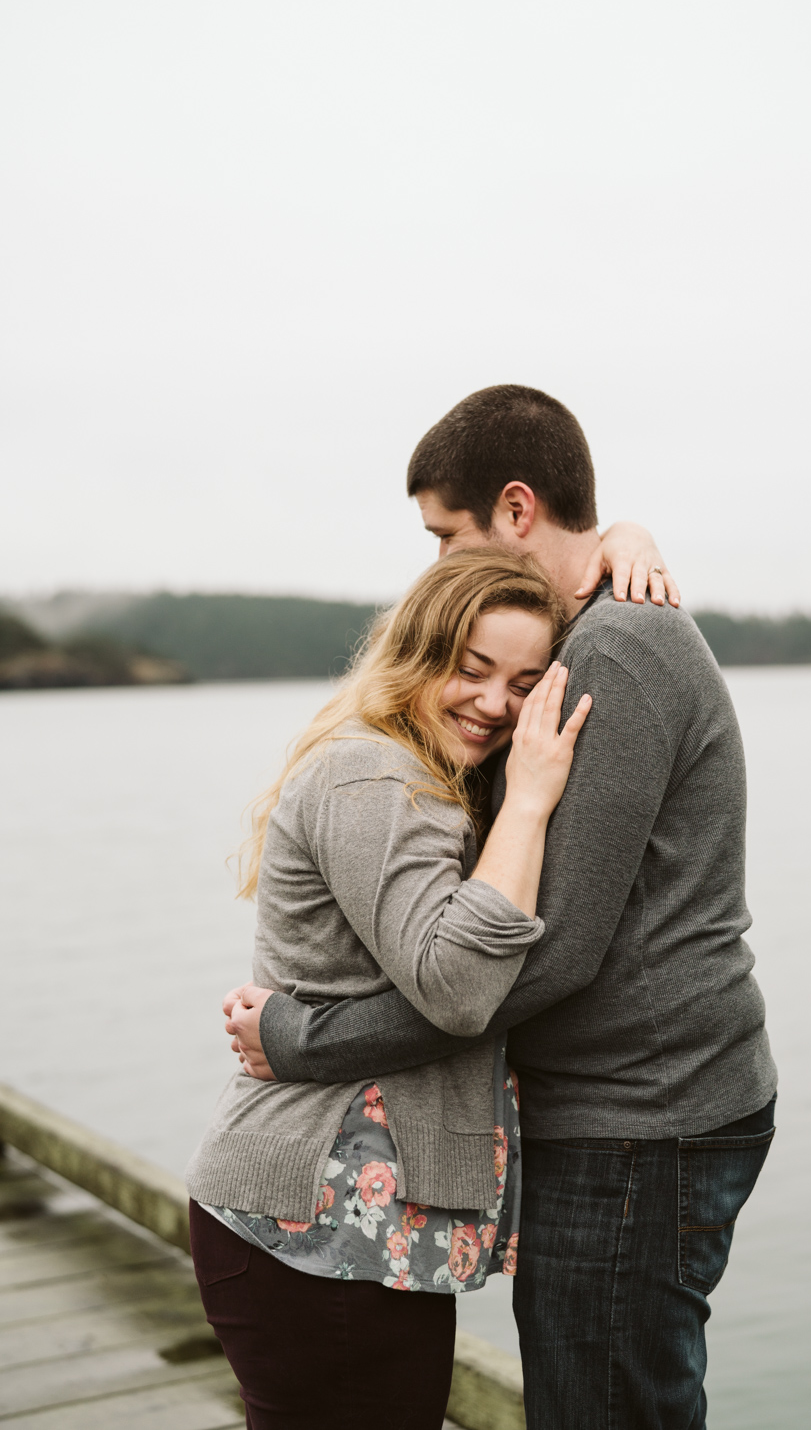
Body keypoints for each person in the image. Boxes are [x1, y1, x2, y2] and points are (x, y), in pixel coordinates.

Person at [230, 383, 778, 1430]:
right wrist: (624, 532)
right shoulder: (590, 632)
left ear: (517, 509)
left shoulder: (611, 652)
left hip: (641, 1117)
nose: (436, 562)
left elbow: (553, 954)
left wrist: (306, 1038)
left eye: (447, 533)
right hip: (641, 1105)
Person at [186, 548, 592, 1428]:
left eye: (524, 683)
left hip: (353, 1233)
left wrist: (625, 538)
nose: (494, 704)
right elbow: (455, 989)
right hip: (312, 1224)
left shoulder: (418, 774)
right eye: (471, 669)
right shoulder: (375, 777)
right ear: (415, 654)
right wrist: (527, 802)